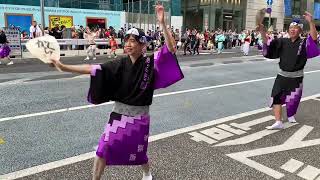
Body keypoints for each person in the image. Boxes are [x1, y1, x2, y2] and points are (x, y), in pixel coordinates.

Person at [50, 4, 183, 180]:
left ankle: (147, 172)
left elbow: (171, 49)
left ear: (142, 45)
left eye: (133, 40)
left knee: (139, 152)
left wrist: (163, 23)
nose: (127, 44)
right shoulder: (119, 64)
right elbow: (94, 68)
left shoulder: (151, 63)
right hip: (119, 116)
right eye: (126, 40)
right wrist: (63, 67)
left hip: (140, 117)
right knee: (102, 149)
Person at [257, 12, 319, 130]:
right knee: (276, 96)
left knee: (293, 100)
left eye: (295, 28)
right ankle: (278, 121)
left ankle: (291, 115)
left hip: (296, 77)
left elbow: (314, 38)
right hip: (282, 76)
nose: (292, 30)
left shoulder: (304, 42)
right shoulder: (282, 41)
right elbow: (268, 44)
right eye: (291, 28)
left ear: (300, 31)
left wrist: (311, 22)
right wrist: (262, 31)